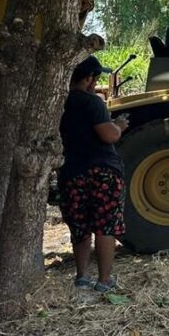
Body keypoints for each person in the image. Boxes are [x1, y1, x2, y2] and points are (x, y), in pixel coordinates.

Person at [59, 56, 129, 292]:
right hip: (102, 173)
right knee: (104, 225)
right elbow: (108, 135)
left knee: (79, 225)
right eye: (95, 77)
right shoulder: (92, 102)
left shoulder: (60, 103)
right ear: (89, 79)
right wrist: (119, 125)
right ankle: (104, 280)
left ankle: (81, 277)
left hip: (72, 173)